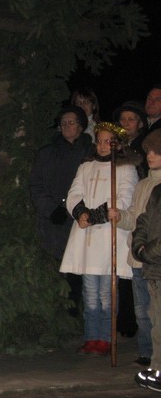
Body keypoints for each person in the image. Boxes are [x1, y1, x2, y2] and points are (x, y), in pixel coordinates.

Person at [60, 122, 138, 356]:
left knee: (106, 293)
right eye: (100, 141)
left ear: (118, 144)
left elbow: (125, 198)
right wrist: (80, 213)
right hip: (86, 236)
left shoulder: (125, 169)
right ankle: (91, 337)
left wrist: (95, 216)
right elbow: (74, 193)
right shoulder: (86, 166)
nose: (103, 146)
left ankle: (105, 338)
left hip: (107, 235)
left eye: (108, 142)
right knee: (90, 293)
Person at [29, 106, 93, 316]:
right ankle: (52, 317)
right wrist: (49, 208)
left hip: (80, 222)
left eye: (71, 122)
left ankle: (74, 316)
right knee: (53, 270)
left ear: (81, 126)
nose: (66, 126)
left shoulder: (91, 153)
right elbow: (36, 184)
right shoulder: (46, 153)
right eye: (63, 123)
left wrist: (79, 210)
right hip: (52, 222)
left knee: (77, 274)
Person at [109, 129, 161, 368]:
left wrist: (147, 250)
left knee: (156, 313)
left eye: (156, 152)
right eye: (148, 151)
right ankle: (146, 353)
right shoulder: (142, 185)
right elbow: (136, 218)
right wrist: (120, 216)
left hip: (155, 259)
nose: (150, 155)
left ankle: (157, 360)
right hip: (138, 257)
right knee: (142, 311)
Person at [132, 180, 161, 391]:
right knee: (157, 322)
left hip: (155, 261)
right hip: (154, 270)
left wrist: (148, 252)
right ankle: (158, 368)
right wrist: (139, 245)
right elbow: (144, 219)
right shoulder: (158, 191)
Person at [113, 100, 148, 179]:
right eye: (122, 119)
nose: (126, 123)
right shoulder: (113, 143)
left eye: (131, 119)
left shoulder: (144, 147)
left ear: (141, 124)